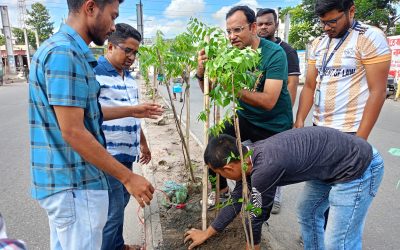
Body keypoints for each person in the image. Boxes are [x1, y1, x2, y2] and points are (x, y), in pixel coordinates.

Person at [28, 1, 162, 249]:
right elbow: (73, 131)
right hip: (75, 184)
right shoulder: (65, 54)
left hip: (74, 184)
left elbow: (87, 116)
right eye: (112, 17)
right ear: (90, 8)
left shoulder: (68, 52)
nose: (112, 26)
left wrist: (135, 115)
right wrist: (128, 177)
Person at [185, 126, 384, 250]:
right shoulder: (248, 157)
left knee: (338, 243)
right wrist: (207, 232)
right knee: (307, 212)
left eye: (219, 173)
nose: (221, 177)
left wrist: (251, 246)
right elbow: (237, 199)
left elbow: (256, 215)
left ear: (228, 167)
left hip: (357, 168)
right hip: (329, 167)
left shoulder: (264, 168)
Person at [294, 0, 391, 229]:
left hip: (349, 132)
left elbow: (378, 91)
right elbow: (309, 85)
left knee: (341, 198)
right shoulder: (318, 43)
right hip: (320, 131)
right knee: (318, 195)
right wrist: (299, 120)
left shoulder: (369, 37)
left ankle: (336, 237)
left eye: (333, 21)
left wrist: (360, 140)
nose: (327, 28)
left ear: (351, 11)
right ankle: (320, 232)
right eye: (323, 23)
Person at [195, 5, 292, 208]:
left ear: (253, 27)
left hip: (273, 126)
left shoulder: (274, 54)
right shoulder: (230, 54)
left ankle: (261, 208)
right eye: (229, 31)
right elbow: (210, 91)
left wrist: (231, 87)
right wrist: (202, 72)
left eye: (237, 30)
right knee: (214, 146)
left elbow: (268, 101)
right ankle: (221, 191)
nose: (231, 36)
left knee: (262, 177)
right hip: (245, 118)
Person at [95, 23, 151, 250]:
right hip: (106, 154)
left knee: (121, 202)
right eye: (127, 50)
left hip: (126, 152)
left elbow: (134, 114)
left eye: (135, 52)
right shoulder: (95, 73)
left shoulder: (129, 78)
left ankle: (116, 245)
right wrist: (132, 111)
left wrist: (144, 144)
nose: (131, 57)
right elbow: (91, 115)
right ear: (110, 46)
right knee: (113, 210)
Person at [256, 8, 301, 214]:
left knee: (277, 158)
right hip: (256, 115)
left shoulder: (286, 51)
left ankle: (276, 198)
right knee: (257, 157)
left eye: (268, 23)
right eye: (260, 24)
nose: (263, 27)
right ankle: (256, 197)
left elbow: (292, 84)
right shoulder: (252, 49)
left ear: (276, 25)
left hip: (277, 116)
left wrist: (286, 115)